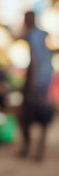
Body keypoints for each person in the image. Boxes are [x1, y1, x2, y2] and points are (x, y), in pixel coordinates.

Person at [18, 10, 54, 161]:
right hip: (46, 79)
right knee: (44, 114)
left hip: (35, 81)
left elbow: (34, 61)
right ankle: (40, 149)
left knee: (26, 116)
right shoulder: (43, 34)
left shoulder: (31, 35)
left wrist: (31, 82)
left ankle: (28, 148)